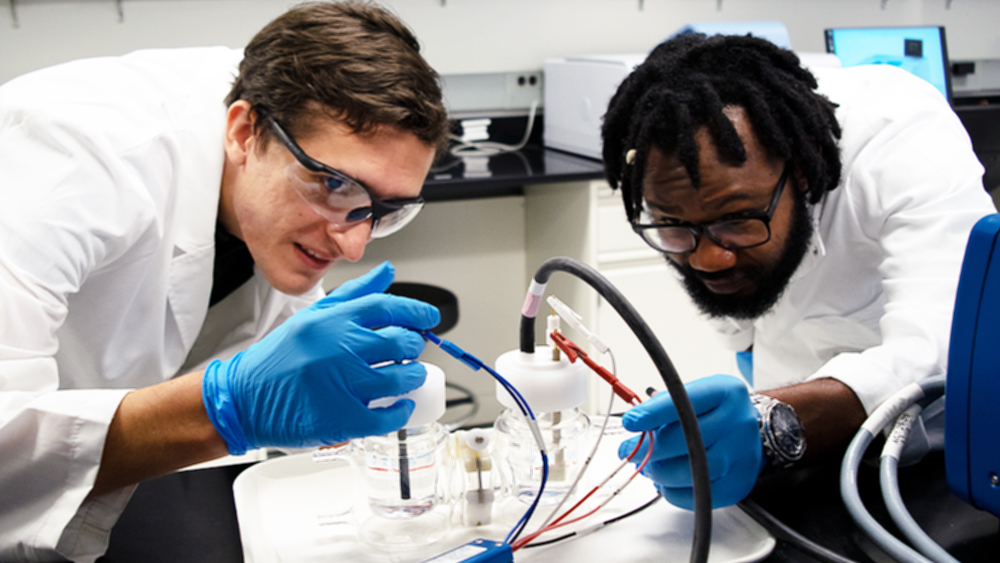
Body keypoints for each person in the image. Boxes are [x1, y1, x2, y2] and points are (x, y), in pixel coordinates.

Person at [0, 1, 450, 560]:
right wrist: (224, 407)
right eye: (335, 187)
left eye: (385, 209)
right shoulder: (73, 157)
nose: (353, 244)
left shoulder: (282, 142)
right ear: (243, 132)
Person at [601, 34, 996, 510]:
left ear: (804, 170)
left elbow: (947, 347)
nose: (707, 259)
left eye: (738, 221)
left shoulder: (900, 135)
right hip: (794, 462)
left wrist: (775, 423)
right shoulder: (678, 189)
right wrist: (752, 379)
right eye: (674, 227)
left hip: (938, 471)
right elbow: (737, 324)